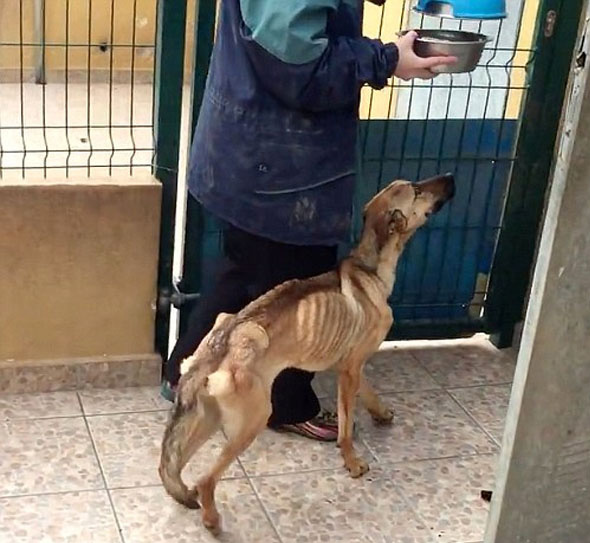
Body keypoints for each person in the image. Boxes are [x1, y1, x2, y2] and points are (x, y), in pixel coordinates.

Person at [162, 0, 455, 441]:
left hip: (253, 148)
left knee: (245, 269)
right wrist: (387, 59)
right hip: (278, 161)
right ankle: (288, 404)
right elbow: (300, 69)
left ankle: (185, 373)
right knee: (298, 288)